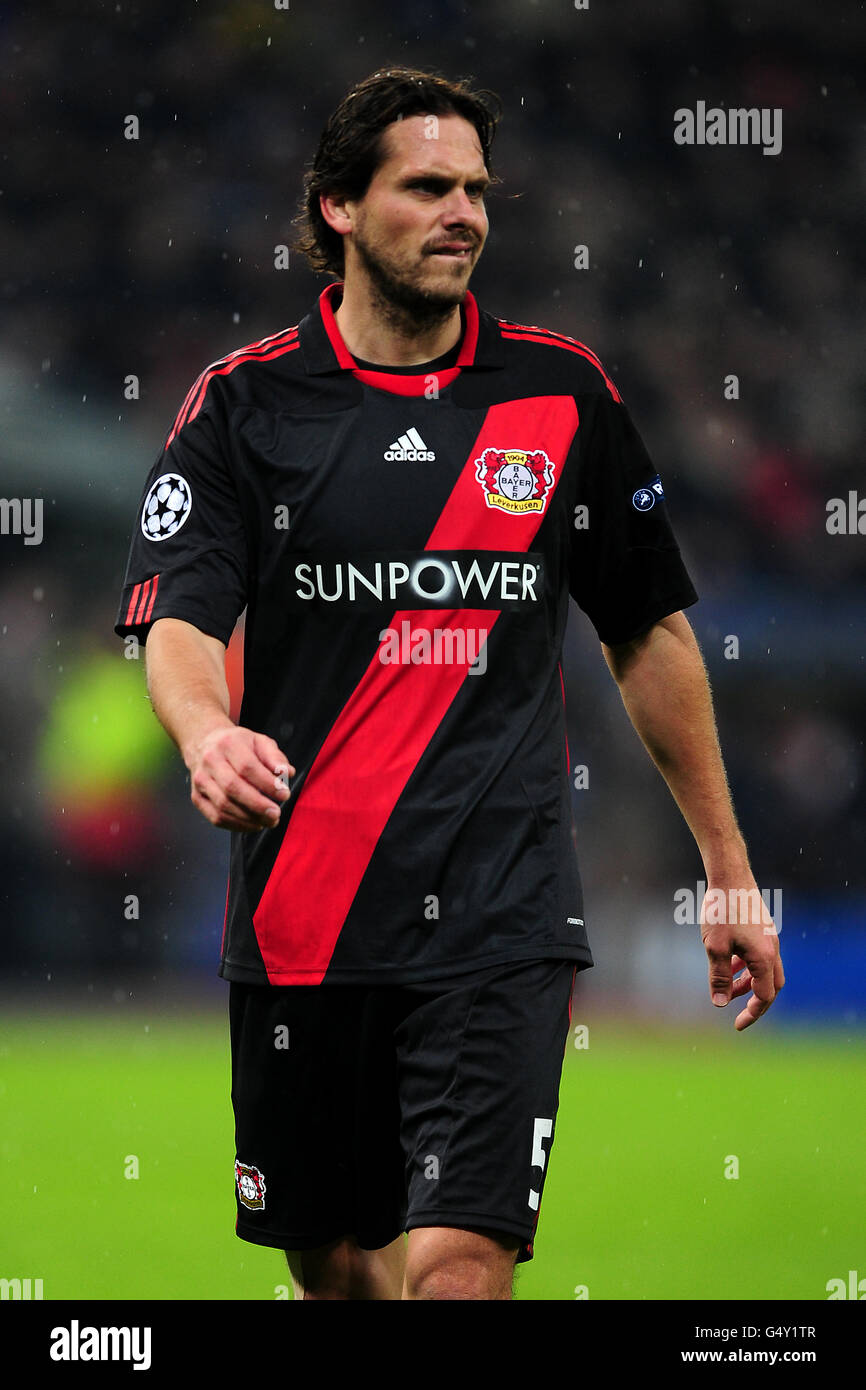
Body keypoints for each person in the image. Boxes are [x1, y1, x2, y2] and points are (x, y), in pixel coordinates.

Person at [115, 66, 784, 1301]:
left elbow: (650, 635)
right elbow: (176, 619)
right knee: (337, 1271)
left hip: (500, 909)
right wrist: (206, 733)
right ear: (337, 210)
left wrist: (729, 873)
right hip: (303, 916)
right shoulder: (244, 404)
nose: (462, 212)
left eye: (476, 189)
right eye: (425, 187)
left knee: (458, 1268)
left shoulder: (559, 395)